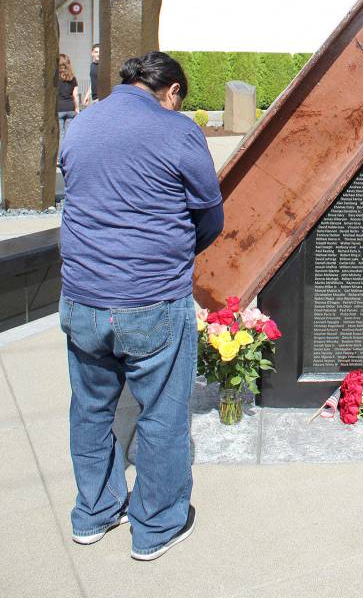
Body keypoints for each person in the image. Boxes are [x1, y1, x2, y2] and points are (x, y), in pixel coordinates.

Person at [58, 51, 224, 561]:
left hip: (83, 297)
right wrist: (169, 254)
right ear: (171, 90)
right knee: (162, 416)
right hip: (151, 299)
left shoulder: (81, 126)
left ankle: (95, 512)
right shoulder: (177, 131)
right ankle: (156, 526)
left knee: (90, 409)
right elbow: (210, 217)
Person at [58, 53, 79, 146]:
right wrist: (77, 108)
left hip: (59, 109)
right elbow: (76, 95)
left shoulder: (55, 78)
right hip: (70, 108)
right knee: (69, 135)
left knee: (60, 135)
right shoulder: (73, 78)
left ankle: (60, 158)